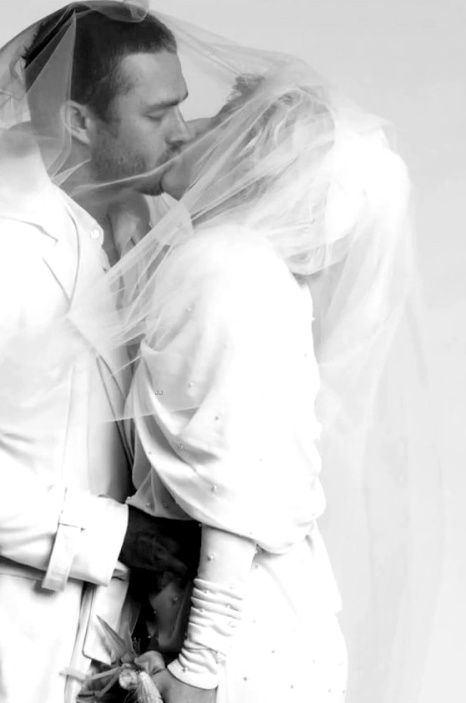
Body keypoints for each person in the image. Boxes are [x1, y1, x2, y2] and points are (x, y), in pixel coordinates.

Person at [72, 54, 441, 700]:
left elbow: (234, 483)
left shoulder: (222, 266)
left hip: (236, 642)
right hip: (265, 622)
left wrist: (197, 668)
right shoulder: (255, 269)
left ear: (248, 158)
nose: (187, 131)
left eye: (220, 121)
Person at [0, 4, 200, 703]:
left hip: (121, 641)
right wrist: (116, 534)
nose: (182, 130)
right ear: (79, 121)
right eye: (157, 113)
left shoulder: (146, 235)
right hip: (5, 645)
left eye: (181, 105)